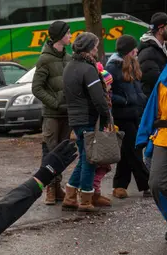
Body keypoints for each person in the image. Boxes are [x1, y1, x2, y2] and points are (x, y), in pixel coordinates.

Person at [62, 32, 110, 212]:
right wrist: (105, 117)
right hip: (88, 119)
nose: (97, 49)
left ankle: (70, 196)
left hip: (75, 119)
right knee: (90, 160)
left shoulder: (69, 67)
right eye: (96, 46)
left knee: (84, 157)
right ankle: (85, 200)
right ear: (89, 49)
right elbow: (98, 99)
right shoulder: (88, 69)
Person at [32, 20, 72, 205]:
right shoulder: (44, 59)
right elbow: (36, 88)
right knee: (50, 151)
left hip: (67, 114)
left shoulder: (68, 58)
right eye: (68, 33)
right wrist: (55, 103)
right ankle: (49, 188)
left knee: (62, 151)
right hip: (52, 115)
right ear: (60, 36)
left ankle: (57, 188)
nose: (71, 36)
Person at [106, 36, 150, 200]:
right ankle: (147, 184)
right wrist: (124, 101)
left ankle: (119, 185)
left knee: (127, 152)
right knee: (134, 150)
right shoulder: (112, 67)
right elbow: (108, 93)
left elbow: (137, 89)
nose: (137, 51)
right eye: (134, 49)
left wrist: (142, 102)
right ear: (128, 51)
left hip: (134, 113)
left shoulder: (132, 65)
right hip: (122, 115)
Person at [137, 64, 167, 240]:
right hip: (164, 137)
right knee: (156, 183)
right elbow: (152, 109)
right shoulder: (164, 78)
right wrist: (143, 136)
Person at [92, 65, 114, 207]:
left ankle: (96, 191)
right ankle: (95, 192)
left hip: (104, 131)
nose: (111, 87)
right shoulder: (102, 99)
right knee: (102, 164)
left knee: (104, 165)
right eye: (109, 84)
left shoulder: (107, 96)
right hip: (101, 134)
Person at [138, 13, 167, 99]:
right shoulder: (148, 53)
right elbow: (157, 81)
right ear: (161, 30)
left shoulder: (161, 48)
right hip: (153, 102)